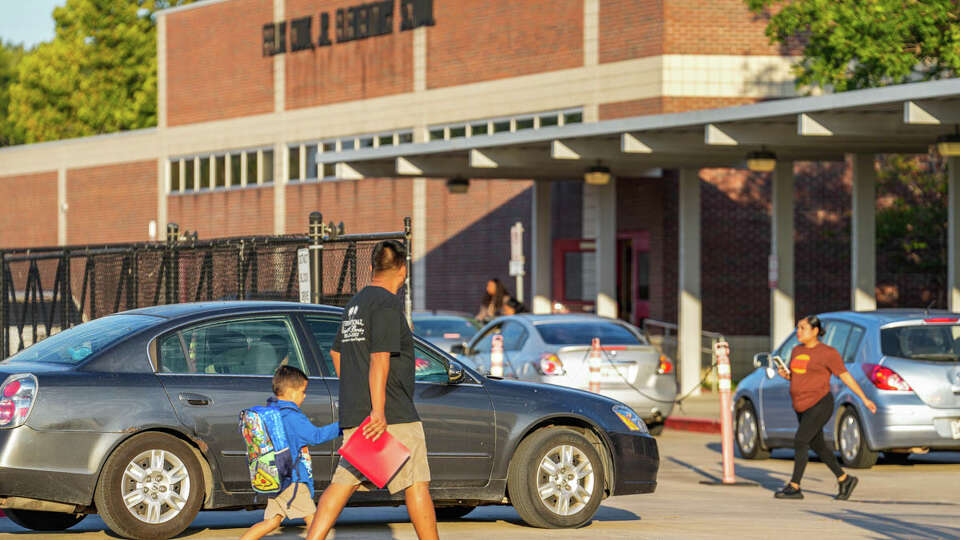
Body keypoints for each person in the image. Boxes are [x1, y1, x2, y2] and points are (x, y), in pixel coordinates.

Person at [306, 240, 438, 540]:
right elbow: (380, 358)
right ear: (403, 270)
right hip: (391, 414)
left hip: (356, 413)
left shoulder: (355, 304)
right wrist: (378, 409)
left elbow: (336, 353)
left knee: (342, 483)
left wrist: (356, 392)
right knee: (416, 483)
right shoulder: (387, 303)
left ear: (370, 268)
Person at [774, 315, 877, 501]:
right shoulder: (796, 350)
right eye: (797, 328)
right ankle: (845, 479)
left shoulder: (828, 353)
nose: (798, 332)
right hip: (801, 405)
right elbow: (799, 377)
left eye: (802, 328)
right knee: (818, 445)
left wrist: (864, 398)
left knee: (800, 440)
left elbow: (845, 376)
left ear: (815, 331)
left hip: (820, 403)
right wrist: (786, 376)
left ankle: (795, 486)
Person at [240, 366, 340, 540]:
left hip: (275, 477)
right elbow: (316, 436)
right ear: (292, 392)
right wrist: (343, 425)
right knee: (316, 523)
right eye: (303, 391)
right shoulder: (292, 417)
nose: (304, 396)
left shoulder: (272, 414)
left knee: (272, 522)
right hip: (293, 481)